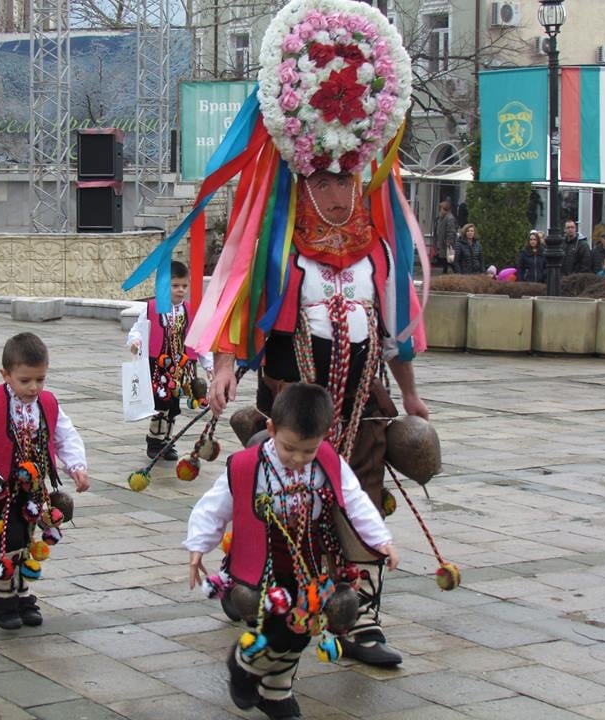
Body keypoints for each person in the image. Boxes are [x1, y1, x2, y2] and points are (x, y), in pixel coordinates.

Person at [126, 0, 424, 670]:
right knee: (291, 491)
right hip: (295, 387)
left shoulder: (378, 234)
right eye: (326, 176)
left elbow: (396, 319)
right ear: (305, 165)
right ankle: (275, 599)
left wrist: (410, 391)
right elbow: (242, 293)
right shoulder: (281, 235)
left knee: (363, 488)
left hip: (363, 394)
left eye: (348, 177)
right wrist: (228, 364)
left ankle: (359, 618)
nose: (339, 190)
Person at [185, 383, 398, 720]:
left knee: (305, 626)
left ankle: (276, 691)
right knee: (279, 628)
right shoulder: (246, 466)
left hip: (314, 560)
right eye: (289, 449)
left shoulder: (328, 461)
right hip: (266, 562)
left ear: (324, 438)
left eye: (308, 451)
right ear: (271, 429)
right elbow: (213, 508)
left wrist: (380, 540)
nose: (299, 459)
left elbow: (355, 501)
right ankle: (244, 664)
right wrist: (198, 547)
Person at [0, 332, 90, 630]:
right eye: (25, 381)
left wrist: (76, 465)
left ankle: (21, 593)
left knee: (26, 541)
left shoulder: (47, 403)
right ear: (5, 375)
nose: (34, 387)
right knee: (8, 542)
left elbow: (65, 435)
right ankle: (1, 597)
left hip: (34, 492)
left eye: (40, 379)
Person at [127, 260, 213, 459]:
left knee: (174, 406)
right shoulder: (152, 308)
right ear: (165, 286)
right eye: (175, 286)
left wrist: (208, 364)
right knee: (160, 404)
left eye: (184, 286)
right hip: (158, 366)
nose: (180, 290)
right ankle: (154, 440)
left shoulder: (190, 311)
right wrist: (135, 342)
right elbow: (137, 330)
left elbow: (199, 340)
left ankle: (167, 440)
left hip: (180, 368)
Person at [433, 200, 458, 274]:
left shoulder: (450, 218)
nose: (439, 210)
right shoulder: (441, 217)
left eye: (441, 208)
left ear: (445, 209)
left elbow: (451, 231)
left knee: (450, 260)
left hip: (447, 244)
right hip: (441, 243)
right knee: (444, 259)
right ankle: (445, 272)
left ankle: (457, 273)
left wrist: (449, 242)